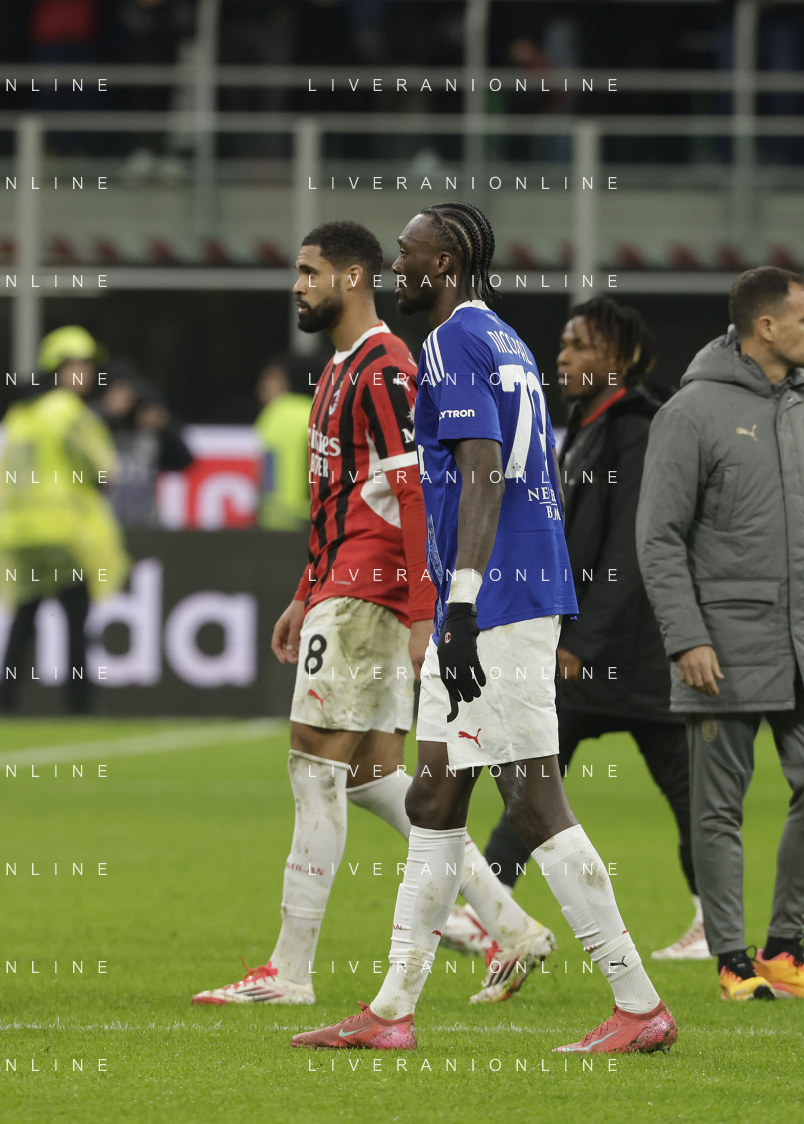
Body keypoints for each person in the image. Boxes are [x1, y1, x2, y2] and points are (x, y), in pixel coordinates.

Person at [292, 203, 677, 1054]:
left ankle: (638, 1003)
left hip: (493, 603)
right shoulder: (503, 338)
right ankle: (391, 1010)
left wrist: (461, 600)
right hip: (501, 594)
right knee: (433, 796)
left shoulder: (449, 342)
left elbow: (481, 468)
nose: (397, 268)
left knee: (534, 799)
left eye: (407, 255)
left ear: (446, 264)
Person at [192, 220, 556, 1009]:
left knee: (311, 766)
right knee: (371, 779)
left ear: (350, 278)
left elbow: (415, 491)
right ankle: (511, 926)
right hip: (342, 586)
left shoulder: (387, 368)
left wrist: (425, 610)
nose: (297, 286)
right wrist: (304, 591)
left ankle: (288, 972)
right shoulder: (337, 369)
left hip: (370, 593)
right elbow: (339, 497)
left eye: (309, 272)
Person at [481, 297, 704, 961]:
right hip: (604, 645)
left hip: (625, 647)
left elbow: (632, 547)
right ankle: (491, 907)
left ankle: (490, 907)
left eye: (581, 345)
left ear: (621, 358)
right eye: (563, 344)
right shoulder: (586, 424)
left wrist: (580, 641)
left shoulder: (638, 426)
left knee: (542, 769)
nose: (563, 356)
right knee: (541, 769)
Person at [636, 265, 804, 1002]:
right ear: (765, 326)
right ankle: (733, 958)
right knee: (717, 811)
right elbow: (658, 538)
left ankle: (786, 947)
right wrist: (686, 638)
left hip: (799, 642)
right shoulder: (690, 412)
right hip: (723, 647)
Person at [0, 326, 130, 715]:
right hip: (61, 530)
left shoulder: (20, 413)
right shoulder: (68, 410)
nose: (85, 374)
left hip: (18, 531)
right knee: (76, 617)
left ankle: (4, 702)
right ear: (57, 369)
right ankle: (79, 705)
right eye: (78, 365)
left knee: (24, 617)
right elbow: (104, 469)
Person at [97, 366, 193, 527]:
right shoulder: (94, 427)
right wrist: (109, 414)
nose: (124, 397)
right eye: (118, 389)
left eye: (129, 392)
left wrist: (162, 425)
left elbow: (183, 461)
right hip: (104, 525)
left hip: (145, 525)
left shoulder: (149, 434)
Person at [253, 355, 313, 531]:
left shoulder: (269, 416)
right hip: (306, 516)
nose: (261, 390)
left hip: (271, 518)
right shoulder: (314, 411)